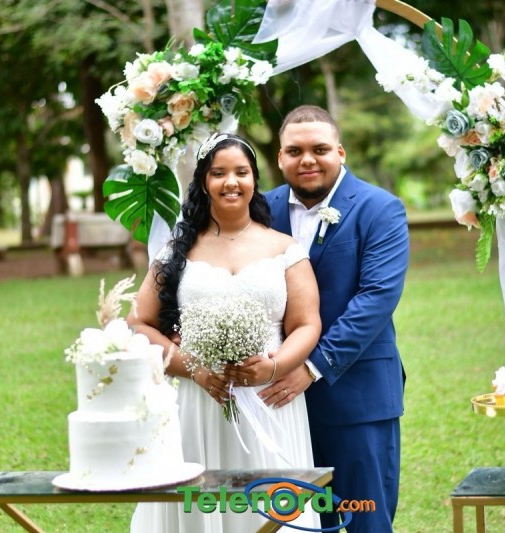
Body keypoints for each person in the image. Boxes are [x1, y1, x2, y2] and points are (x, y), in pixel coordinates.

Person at [128, 132, 322, 531]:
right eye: (218, 173)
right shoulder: (177, 251)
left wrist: (274, 367)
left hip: (270, 401)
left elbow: (307, 324)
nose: (230, 182)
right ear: (203, 182)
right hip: (200, 403)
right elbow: (139, 323)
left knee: (270, 509)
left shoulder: (284, 249)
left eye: (241, 172)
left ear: (254, 180)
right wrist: (194, 369)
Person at [261, 104, 409, 532]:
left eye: (320, 149)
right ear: (280, 157)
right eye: (295, 151)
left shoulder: (380, 209)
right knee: (294, 523)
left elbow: (376, 299)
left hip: (357, 397)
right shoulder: (261, 209)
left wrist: (311, 367)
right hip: (278, 405)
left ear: (340, 152)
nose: (307, 160)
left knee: (366, 521)